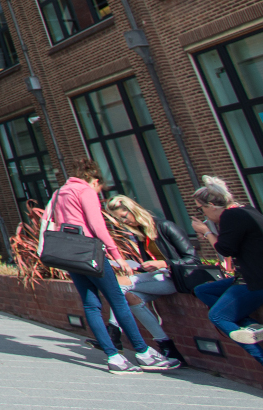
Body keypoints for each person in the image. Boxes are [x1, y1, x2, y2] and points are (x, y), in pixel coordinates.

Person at [48, 158, 180, 373]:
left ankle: (114, 358)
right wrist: (117, 255)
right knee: (118, 299)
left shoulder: (60, 192)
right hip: (90, 252)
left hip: (68, 253)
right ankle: (143, 353)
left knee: (91, 305)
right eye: (100, 188)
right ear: (95, 180)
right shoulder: (85, 191)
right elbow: (97, 225)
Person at [190, 176, 263, 402]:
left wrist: (205, 231)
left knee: (218, 315)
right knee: (204, 291)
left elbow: (225, 249)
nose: (203, 214)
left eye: (202, 208)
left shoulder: (231, 216)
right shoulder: (246, 210)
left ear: (213, 205)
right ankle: (249, 325)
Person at [103, 196, 196, 363]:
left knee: (119, 283)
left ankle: (113, 332)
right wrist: (141, 266)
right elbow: (152, 263)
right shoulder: (141, 234)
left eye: (124, 216)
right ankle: (167, 346)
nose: (125, 221)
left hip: (176, 279)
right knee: (129, 297)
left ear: (134, 210)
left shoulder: (165, 227)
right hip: (158, 279)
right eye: (119, 219)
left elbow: (193, 259)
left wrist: (164, 263)